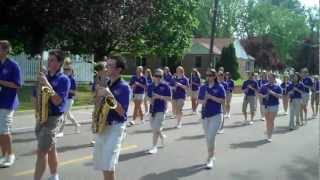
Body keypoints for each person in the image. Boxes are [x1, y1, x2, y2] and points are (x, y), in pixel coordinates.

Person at [33, 49, 71, 180]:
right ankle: (54, 175)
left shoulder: (64, 79)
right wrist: (37, 110)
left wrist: (46, 84)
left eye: (52, 60)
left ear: (59, 63)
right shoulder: (44, 76)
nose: (49, 62)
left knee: (41, 151)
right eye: (48, 60)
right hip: (41, 116)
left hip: (53, 118)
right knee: (50, 149)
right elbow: (35, 96)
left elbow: (57, 100)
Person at [93, 55, 131, 180]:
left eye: (110, 65)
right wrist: (98, 95)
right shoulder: (106, 83)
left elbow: (121, 112)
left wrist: (109, 95)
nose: (106, 68)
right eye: (106, 65)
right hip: (103, 126)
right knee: (104, 164)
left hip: (115, 127)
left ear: (119, 69)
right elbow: (98, 105)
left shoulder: (124, 87)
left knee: (108, 164)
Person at [198, 69, 226, 169]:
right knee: (208, 138)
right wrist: (204, 100)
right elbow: (199, 100)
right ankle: (212, 155)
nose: (208, 77)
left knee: (210, 137)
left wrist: (210, 97)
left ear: (214, 76)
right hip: (205, 115)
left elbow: (223, 100)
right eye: (207, 75)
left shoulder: (219, 87)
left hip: (216, 115)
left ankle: (209, 159)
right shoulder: (203, 87)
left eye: (210, 75)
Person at [0, 40, 21, 168]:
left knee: (4, 130)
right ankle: (3, 155)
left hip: (8, 102)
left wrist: (1, 82)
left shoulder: (13, 65)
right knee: (0, 131)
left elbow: (17, 85)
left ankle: (10, 155)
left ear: (5, 50)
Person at [147, 69, 171, 154]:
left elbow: (169, 98)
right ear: (153, 76)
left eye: (160, 76)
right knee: (154, 128)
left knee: (155, 128)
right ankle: (162, 136)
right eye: (156, 76)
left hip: (161, 109)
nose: (158, 78)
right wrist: (151, 99)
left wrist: (159, 97)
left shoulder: (165, 86)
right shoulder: (150, 86)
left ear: (162, 76)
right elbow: (148, 97)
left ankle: (154, 147)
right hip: (152, 109)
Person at [57, 61, 81, 137]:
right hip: (63, 99)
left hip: (69, 100)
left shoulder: (72, 79)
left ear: (71, 71)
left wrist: (66, 90)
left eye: (67, 69)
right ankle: (77, 125)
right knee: (69, 116)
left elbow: (75, 92)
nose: (65, 71)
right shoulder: (62, 78)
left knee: (64, 115)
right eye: (64, 69)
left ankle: (61, 132)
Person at [259, 72, 282, 142]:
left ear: (274, 78)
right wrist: (264, 96)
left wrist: (272, 93)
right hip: (265, 105)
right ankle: (268, 133)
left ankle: (270, 136)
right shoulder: (264, 86)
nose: (270, 79)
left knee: (271, 120)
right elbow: (260, 94)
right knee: (267, 121)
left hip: (274, 105)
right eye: (269, 77)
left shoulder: (277, 87)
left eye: (271, 77)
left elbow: (280, 96)